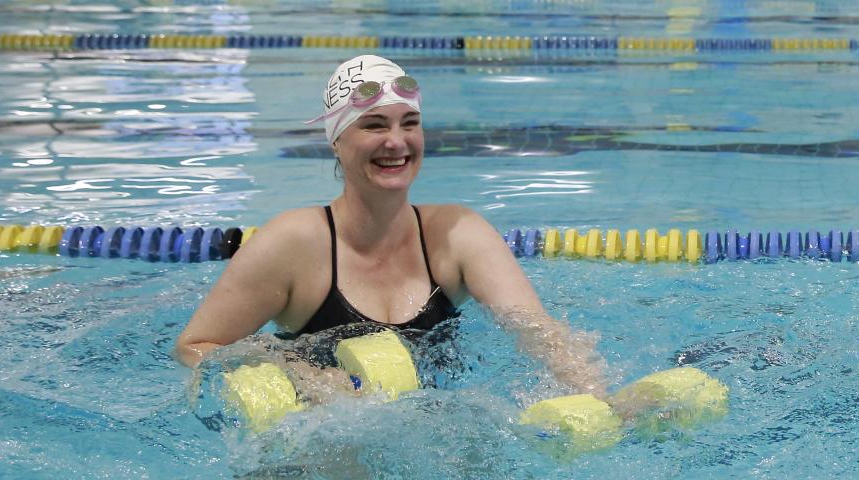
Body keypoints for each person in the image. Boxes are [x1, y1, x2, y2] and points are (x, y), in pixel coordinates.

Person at [174, 55, 607, 397]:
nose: (396, 142)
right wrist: (299, 375)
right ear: (337, 142)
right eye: (374, 125)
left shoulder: (458, 233)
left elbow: (540, 333)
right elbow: (195, 346)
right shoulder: (294, 244)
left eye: (409, 124)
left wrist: (595, 395)